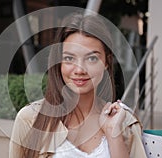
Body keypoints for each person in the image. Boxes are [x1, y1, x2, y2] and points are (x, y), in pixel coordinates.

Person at [9, 12, 147, 158]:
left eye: (92, 58)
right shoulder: (30, 119)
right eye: (69, 58)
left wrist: (114, 134)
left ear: (107, 62)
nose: (80, 70)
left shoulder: (125, 123)